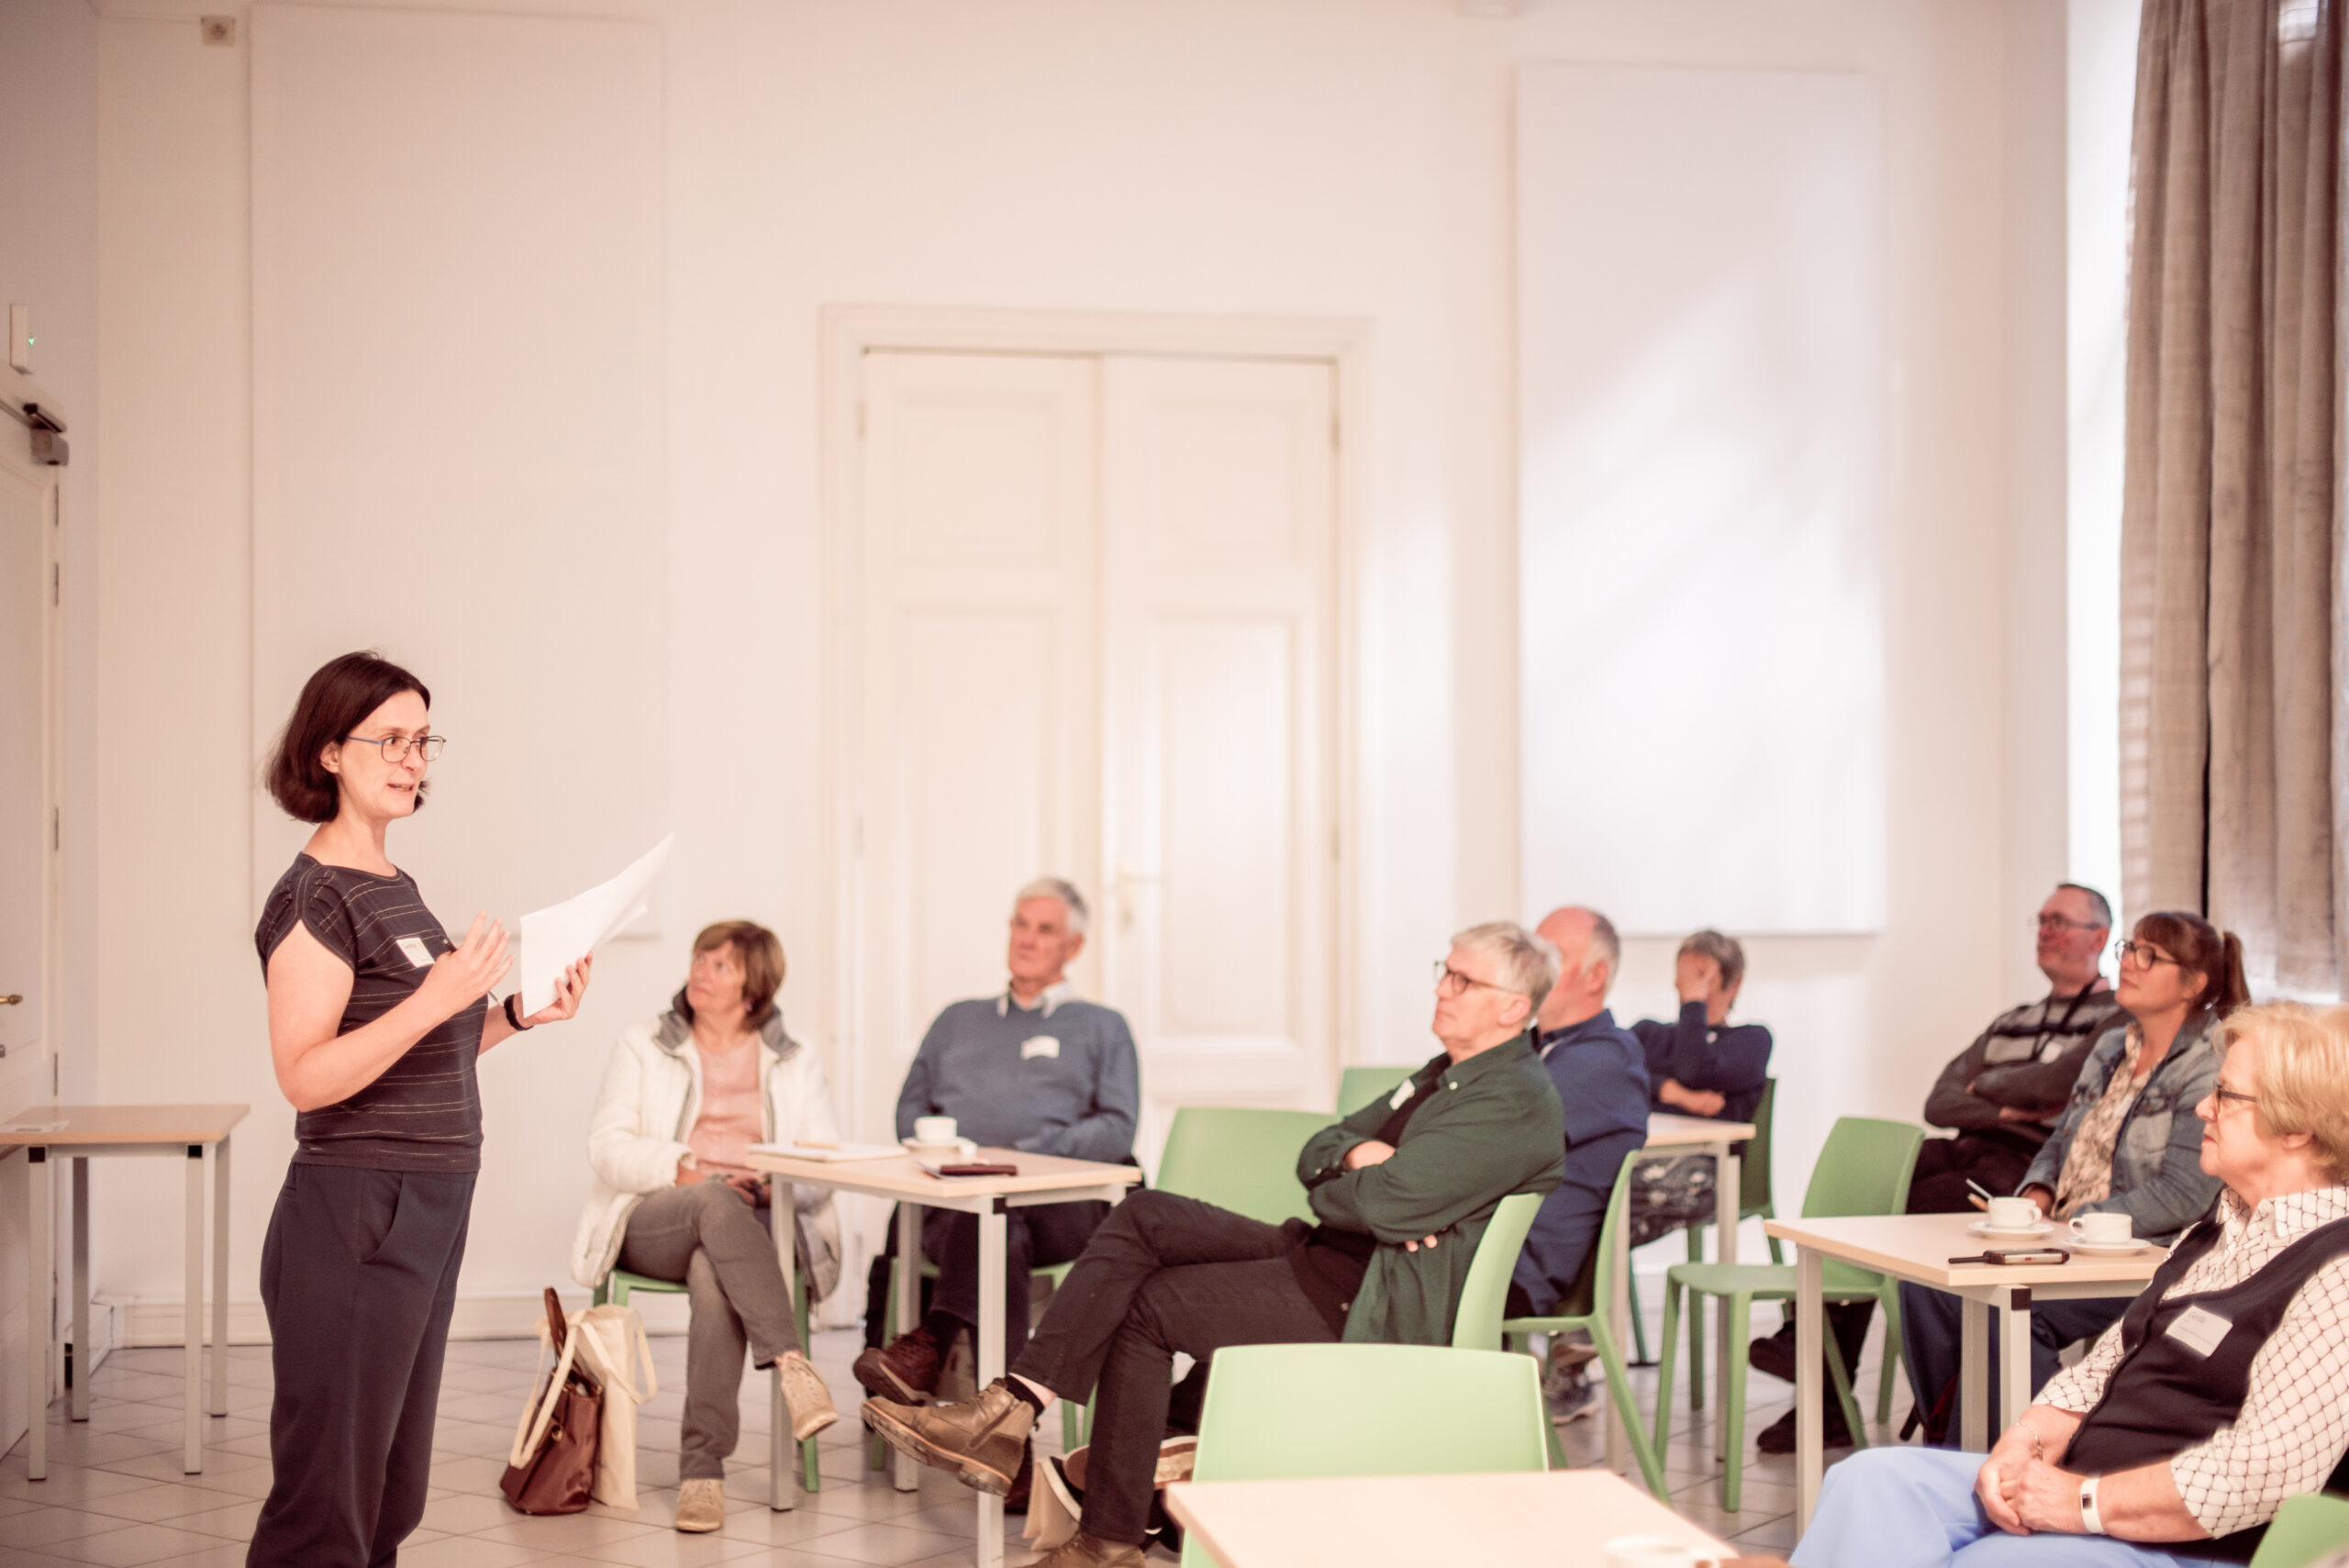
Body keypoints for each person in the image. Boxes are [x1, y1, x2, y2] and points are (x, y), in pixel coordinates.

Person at [863, 922, 1570, 1568]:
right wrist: (1359, 1162)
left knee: (1147, 1307)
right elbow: (1317, 1152)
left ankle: (1105, 1535)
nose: (1443, 988)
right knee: (1148, 1214)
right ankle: (1014, 1405)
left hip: (1369, 1297)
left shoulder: (1509, 1096)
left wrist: (1360, 1185)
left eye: (1462, 980)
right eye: (1443, 970)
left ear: (1513, 1006)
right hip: (1325, 1255)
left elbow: (1385, 1206)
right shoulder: (1439, 1073)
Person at [1792, 999, 2349, 1568]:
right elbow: (2102, 1370)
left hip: (2185, 1542)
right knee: (1870, 1482)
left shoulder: (2339, 1272)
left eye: (2226, 1095)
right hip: (2087, 1490)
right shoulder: (2213, 1234)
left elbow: (2267, 1470)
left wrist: (2080, 1503)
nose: (2204, 1107)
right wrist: (2023, 1445)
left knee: (1993, 1564)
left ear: (2297, 1127)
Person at [248, 651, 592, 1567]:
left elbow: (418, 1042)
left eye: (421, 739)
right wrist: (438, 999)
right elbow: (307, 1076)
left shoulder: (391, 885)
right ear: (327, 752)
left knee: (391, 1488)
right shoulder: (313, 895)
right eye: (388, 739)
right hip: (357, 1202)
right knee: (328, 1499)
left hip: (430, 1203)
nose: (411, 758)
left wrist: (517, 1012)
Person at [1749, 883, 2121, 1452]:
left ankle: (1847, 1392)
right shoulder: (2011, 1020)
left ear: (2099, 936)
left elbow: (2058, 1084)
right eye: (2041, 919)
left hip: (2027, 1166)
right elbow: (1940, 1102)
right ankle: (1818, 1369)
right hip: (1971, 1141)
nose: (2045, 931)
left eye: (2061, 921)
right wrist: (2008, 1101)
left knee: (1924, 1204)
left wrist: (1996, 1086)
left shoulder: (2113, 1017)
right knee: (1880, 1181)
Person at [1899, 910, 2243, 1445]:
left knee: (2010, 1312)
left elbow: (2182, 1196)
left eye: (2149, 955)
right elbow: (2060, 1141)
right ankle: (1957, 1443)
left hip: (2147, 1254)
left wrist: (2075, 1224)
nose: (2129, 961)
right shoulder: (2111, 1047)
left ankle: (2030, 1455)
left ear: (2193, 984)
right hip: (2069, 1240)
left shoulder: (2208, 1060)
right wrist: (2037, 1193)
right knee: (1926, 1287)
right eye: (2131, 948)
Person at [854, 879, 1141, 1496]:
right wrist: (968, 1162)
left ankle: (931, 1340)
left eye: (1043, 929)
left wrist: (1020, 1159)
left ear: (1075, 945)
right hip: (962, 1204)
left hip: (1063, 1207)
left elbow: (1118, 1127)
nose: (1026, 938)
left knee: (998, 1210)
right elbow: (910, 1113)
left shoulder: (1102, 1026)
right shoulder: (958, 1019)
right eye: (1019, 923)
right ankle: (1011, 1443)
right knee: (994, 1222)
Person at [569, 920, 843, 1532]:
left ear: (755, 986)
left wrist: (770, 1183)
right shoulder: (644, 1042)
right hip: (660, 1212)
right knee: (716, 1203)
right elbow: (606, 1145)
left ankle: (703, 1473)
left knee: (713, 1268)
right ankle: (791, 1361)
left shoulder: (794, 1056)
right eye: (700, 957)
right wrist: (688, 1174)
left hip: (754, 1221)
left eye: (721, 964)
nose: (701, 970)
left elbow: (824, 1160)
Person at [1507, 905, 1651, 1423]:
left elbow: (1485, 1144)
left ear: (1597, 976)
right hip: (1484, 1251)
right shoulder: (1534, 1049)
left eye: (1551, 955)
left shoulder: (1602, 1060)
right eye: (1530, 952)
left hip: (1514, 1270)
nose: (1532, 966)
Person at [1624, 929, 1772, 1251]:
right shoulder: (1651, 1033)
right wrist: (1674, 1094)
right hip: (1642, 1158)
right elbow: (1611, 1073)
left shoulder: (1752, 1041)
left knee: (1613, 1198)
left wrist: (1694, 1003)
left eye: (1701, 975)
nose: (1689, 981)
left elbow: (1693, 1068)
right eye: (1686, 974)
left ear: (1734, 984)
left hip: (1712, 1176)